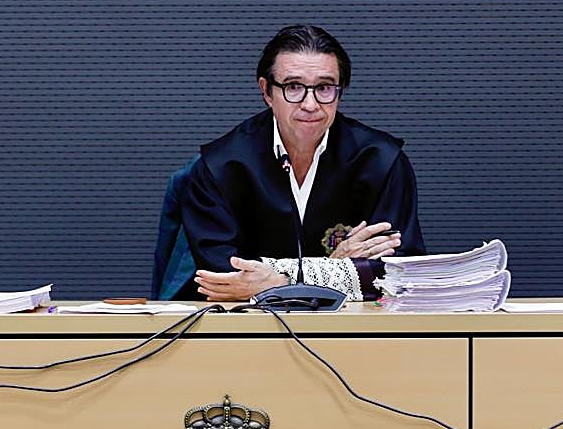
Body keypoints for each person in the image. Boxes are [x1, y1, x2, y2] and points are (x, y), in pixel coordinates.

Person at [180, 24, 425, 302]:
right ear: (266, 92)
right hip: (248, 330)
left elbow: (400, 271)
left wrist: (281, 280)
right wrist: (338, 268)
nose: (310, 104)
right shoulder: (219, 166)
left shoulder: (381, 160)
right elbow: (222, 275)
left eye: (324, 88)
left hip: (354, 329)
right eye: (293, 87)